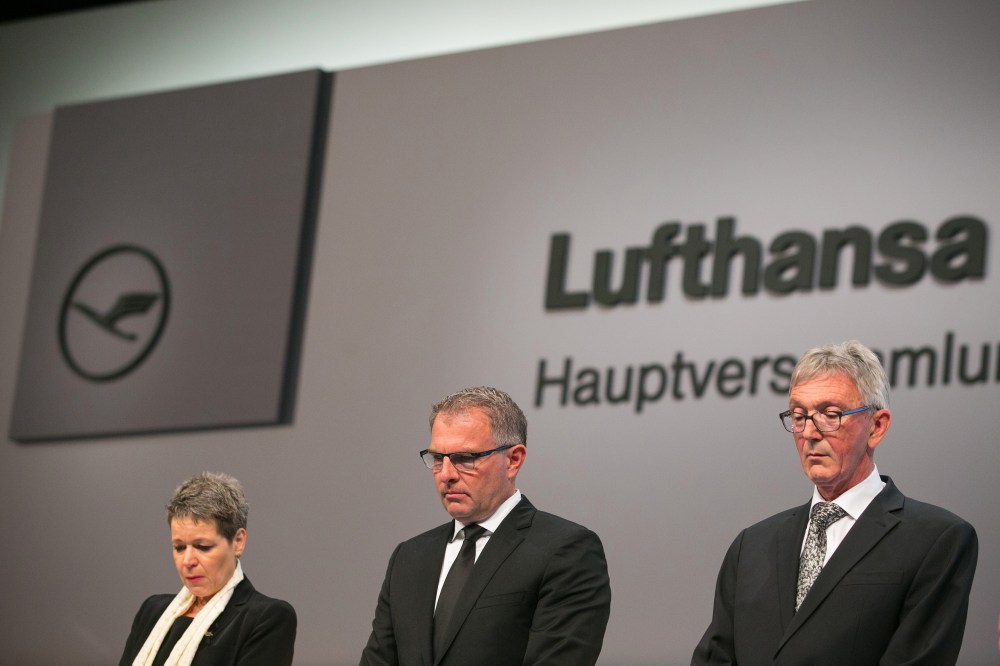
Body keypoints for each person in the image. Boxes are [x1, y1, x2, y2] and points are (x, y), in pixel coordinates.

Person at [691, 340, 978, 666]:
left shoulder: (936, 539)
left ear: (877, 426)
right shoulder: (751, 546)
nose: (809, 433)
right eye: (799, 416)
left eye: (830, 414)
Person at [360, 386, 611, 665]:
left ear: (513, 460)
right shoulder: (409, 557)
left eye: (465, 459)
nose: (446, 475)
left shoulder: (565, 550)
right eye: (437, 459)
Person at [120, 472, 296, 666]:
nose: (187, 560)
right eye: (179, 547)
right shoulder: (152, 611)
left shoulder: (267, 617)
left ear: (238, 541)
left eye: (202, 547)